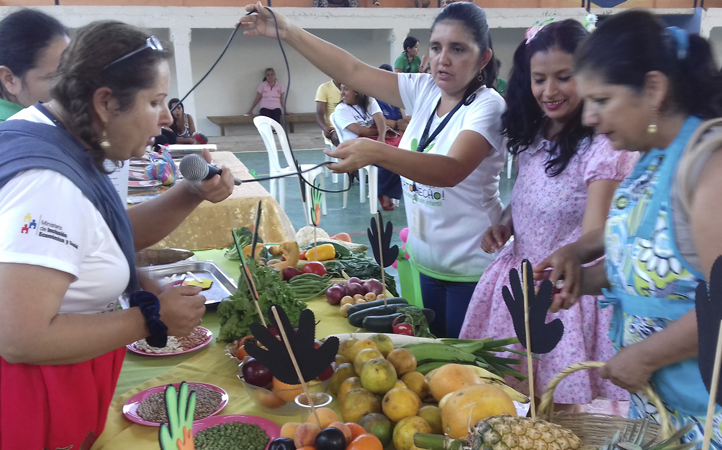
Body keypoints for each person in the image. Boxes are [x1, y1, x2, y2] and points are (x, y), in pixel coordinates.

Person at [535, 10, 722, 447]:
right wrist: (583, 273)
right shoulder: (655, 156)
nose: (589, 117)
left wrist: (643, 356)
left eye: (602, 100)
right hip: (671, 406)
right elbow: (662, 261)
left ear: (654, 89)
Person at [0, 21, 234, 449]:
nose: (167, 119)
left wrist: (190, 192)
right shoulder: (47, 185)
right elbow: (20, 337)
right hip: (31, 403)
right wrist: (149, 318)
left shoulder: (55, 133)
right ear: (106, 102)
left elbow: (101, 237)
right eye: (155, 102)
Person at [241, 1, 506, 338]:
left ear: (483, 58)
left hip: (474, 265)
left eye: (458, 49)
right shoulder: (426, 90)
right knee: (436, 360)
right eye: (437, 47)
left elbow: (450, 171)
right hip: (427, 263)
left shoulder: (488, 106)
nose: (443, 59)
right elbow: (352, 70)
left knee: (468, 364)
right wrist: (288, 31)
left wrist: (376, 151)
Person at [459, 20, 634, 410]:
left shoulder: (602, 147)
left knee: (557, 407)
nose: (549, 91)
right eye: (540, 79)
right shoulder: (535, 134)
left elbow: (597, 238)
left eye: (564, 77)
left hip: (561, 294)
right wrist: (505, 223)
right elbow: (528, 194)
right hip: (517, 280)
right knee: (513, 398)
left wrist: (567, 262)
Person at [331, 84, 401, 210]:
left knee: (402, 155)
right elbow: (359, 130)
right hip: (355, 146)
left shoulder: (369, 101)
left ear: (357, 91)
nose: (342, 93)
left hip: (373, 141)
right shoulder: (341, 109)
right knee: (388, 158)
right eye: (341, 89)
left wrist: (381, 138)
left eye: (346, 89)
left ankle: (387, 192)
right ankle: (382, 193)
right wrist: (379, 131)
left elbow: (380, 121)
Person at [0, 9, 69, 121]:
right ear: (9, 79)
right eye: (55, 77)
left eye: (74, 72)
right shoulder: (14, 129)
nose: (73, 86)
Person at [377, 64, 411, 132]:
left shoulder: (400, 95)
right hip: (386, 133)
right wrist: (398, 123)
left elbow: (408, 119)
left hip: (402, 133)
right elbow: (380, 121)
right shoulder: (374, 98)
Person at [316, 78, 341, 146]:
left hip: (350, 127)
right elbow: (319, 113)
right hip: (333, 129)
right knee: (336, 138)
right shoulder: (324, 88)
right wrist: (325, 129)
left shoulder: (353, 87)